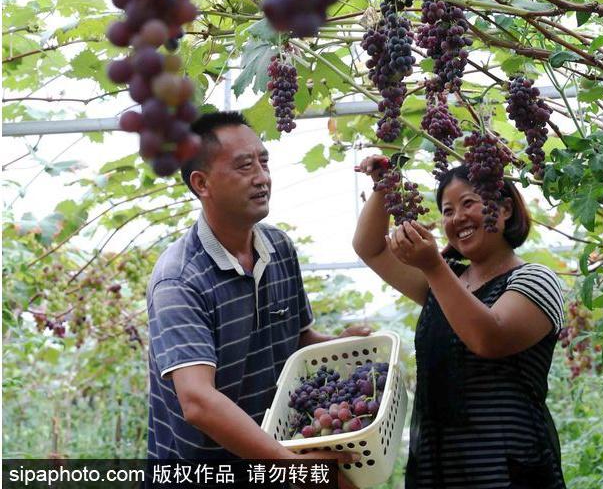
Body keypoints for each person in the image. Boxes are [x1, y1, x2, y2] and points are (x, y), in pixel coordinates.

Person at [147, 110, 369, 466]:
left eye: (264, 162)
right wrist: (287, 461)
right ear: (202, 184)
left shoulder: (278, 248)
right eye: (244, 166)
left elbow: (295, 339)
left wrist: (342, 343)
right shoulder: (179, 280)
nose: (262, 178)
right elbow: (198, 401)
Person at [353, 160, 567, 489]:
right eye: (448, 210)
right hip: (436, 470)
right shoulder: (444, 280)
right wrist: (385, 184)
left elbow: (489, 337)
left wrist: (433, 266)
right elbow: (370, 247)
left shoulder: (536, 279)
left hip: (507, 472)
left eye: (468, 203)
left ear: (505, 208)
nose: (457, 218)